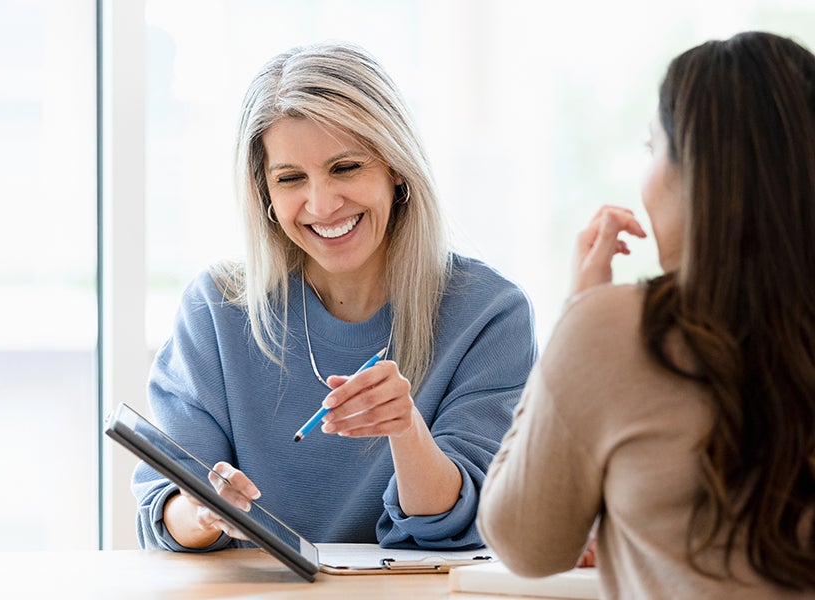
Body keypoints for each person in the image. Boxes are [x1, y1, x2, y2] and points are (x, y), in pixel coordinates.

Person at [132, 41, 537, 552]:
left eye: (346, 168)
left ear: (395, 168)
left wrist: (406, 429)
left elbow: (462, 521)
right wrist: (202, 509)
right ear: (265, 194)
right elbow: (163, 509)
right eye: (290, 178)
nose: (322, 205)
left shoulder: (490, 315)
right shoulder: (216, 309)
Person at [478, 31, 815, 598]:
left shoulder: (613, 328)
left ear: (698, 174)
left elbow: (527, 544)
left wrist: (576, 315)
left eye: (651, 147)